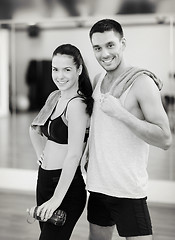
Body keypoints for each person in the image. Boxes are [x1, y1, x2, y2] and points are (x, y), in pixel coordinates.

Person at [86, 19, 172, 240]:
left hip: (127, 190)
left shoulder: (142, 83)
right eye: (97, 48)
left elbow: (165, 139)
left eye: (110, 45)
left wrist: (122, 114)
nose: (104, 53)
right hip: (97, 186)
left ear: (123, 43)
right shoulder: (98, 80)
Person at [28, 44, 93, 240]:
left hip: (65, 187)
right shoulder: (55, 97)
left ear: (79, 70)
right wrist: (41, 154)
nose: (60, 76)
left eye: (67, 69)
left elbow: (74, 155)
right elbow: (34, 128)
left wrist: (57, 199)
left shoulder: (77, 105)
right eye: (55, 69)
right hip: (45, 181)